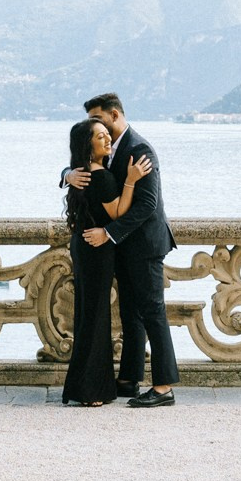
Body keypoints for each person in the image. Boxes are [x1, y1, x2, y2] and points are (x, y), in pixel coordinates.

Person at [64, 93, 178, 406]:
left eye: (98, 120)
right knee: (130, 315)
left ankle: (164, 387)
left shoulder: (139, 149)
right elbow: (85, 165)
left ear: (114, 115)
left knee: (153, 312)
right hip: (122, 246)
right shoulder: (109, 146)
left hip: (144, 245)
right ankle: (129, 380)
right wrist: (66, 175)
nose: (95, 126)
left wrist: (109, 234)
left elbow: (147, 204)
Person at [60, 117, 152, 405]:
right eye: (100, 137)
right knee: (96, 318)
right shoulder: (100, 176)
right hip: (97, 250)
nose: (107, 139)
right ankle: (91, 390)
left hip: (83, 246)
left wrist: (66, 173)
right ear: (89, 145)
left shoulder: (81, 172)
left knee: (88, 316)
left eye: (106, 135)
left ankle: (83, 386)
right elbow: (118, 213)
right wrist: (131, 181)